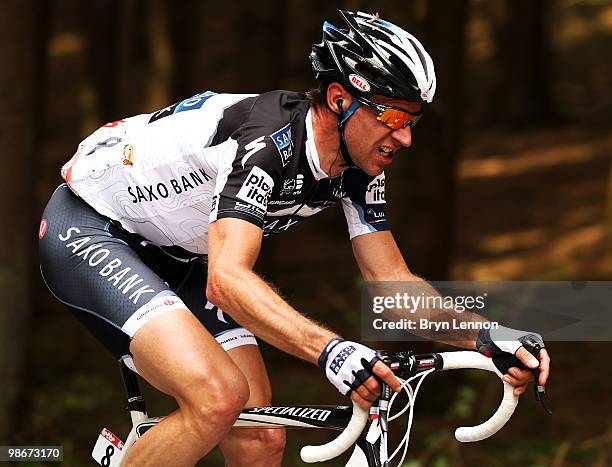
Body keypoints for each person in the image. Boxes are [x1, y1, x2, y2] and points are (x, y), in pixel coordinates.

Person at [38, 10, 550, 467]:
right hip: (93, 230)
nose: (406, 137)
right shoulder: (265, 145)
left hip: (176, 252)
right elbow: (227, 280)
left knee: (260, 436)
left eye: (412, 120)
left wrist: (489, 336)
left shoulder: (358, 166)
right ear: (338, 98)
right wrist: (332, 351)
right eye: (391, 116)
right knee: (217, 398)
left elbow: (391, 281)